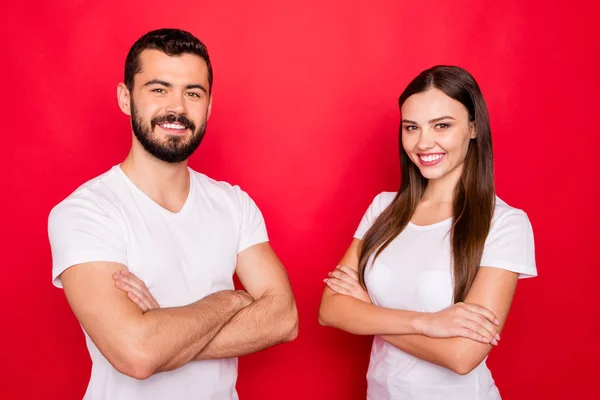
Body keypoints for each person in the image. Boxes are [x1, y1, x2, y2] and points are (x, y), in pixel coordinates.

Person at [48, 28, 298, 400]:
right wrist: (229, 301)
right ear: (125, 97)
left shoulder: (233, 203)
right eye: (158, 89)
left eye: (193, 93)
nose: (177, 108)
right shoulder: (85, 212)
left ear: (209, 105)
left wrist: (162, 328)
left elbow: (284, 320)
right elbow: (136, 354)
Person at [318, 65, 536, 399]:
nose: (423, 142)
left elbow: (463, 356)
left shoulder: (505, 223)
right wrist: (426, 323)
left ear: (474, 128)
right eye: (411, 128)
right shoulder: (383, 209)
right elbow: (330, 310)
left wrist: (370, 311)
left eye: (442, 126)